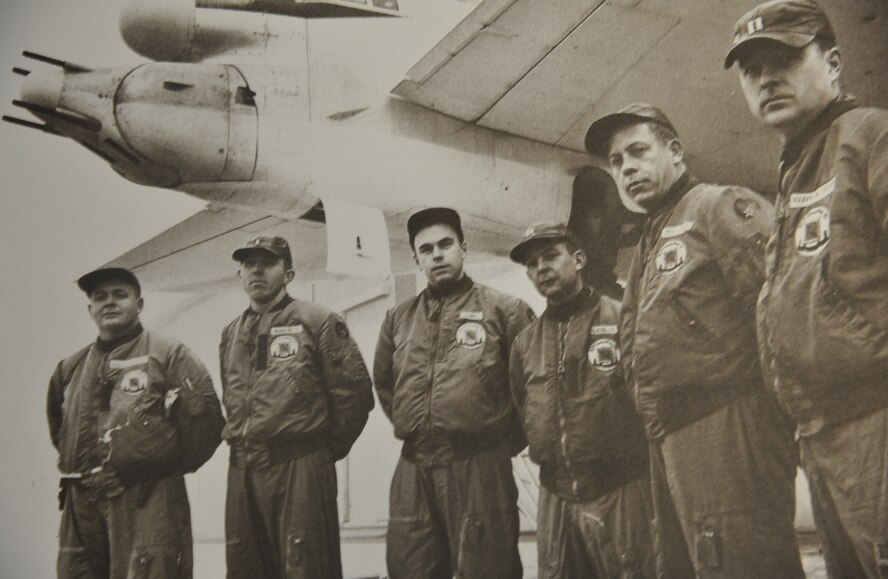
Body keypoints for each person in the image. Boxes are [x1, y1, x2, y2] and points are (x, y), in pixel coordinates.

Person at [585, 105, 804, 578]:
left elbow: (776, 307)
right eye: (616, 161)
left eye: (638, 151)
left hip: (729, 425)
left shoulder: (715, 205)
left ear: (676, 152)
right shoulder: (653, 234)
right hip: (671, 435)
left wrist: (773, 420)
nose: (627, 168)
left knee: (741, 565)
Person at [726, 1, 888, 576]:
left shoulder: (870, 134)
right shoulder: (797, 168)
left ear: (835, 62)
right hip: (822, 437)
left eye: (785, 59)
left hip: (874, 422)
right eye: (751, 69)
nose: (766, 78)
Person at [373, 207, 534, 578]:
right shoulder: (398, 319)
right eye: (426, 249)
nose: (437, 254)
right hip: (414, 467)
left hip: (478, 465)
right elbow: (385, 384)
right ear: (416, 258)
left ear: (464, 247)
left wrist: (496, 443)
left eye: (446, 244)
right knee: (411, 566)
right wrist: (416, 424)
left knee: (486, 567)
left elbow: (531, 388)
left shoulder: (505, 311)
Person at [47, 267, 224, 579]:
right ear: (90, 310)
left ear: (139, 304)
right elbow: (59, 428)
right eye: (100, 297)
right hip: (81, 504)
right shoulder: (69, 368)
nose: (110, 303)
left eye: (120, 295)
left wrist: (153, 468)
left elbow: (207, 423)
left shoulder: (169, 355)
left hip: (147, 500)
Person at [220, 235, 374, 579]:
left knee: (305, 565)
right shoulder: (230, 334)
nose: (256, 269)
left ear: (288, 274)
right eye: (248, 263)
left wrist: (319, 451)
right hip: (244, 470)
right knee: (247, 567)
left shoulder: (317, 320)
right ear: (239, 275)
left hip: (300, 466)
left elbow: (355, 394)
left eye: (268, 262)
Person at [508, 222, 654, 578]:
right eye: (531, 263)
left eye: (550, 256)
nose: (540, 267)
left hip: (618, 489)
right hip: (555, 494)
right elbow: (521, 404)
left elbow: (650, 400)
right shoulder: (525, 343)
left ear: (578, 259)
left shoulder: (622, 319)